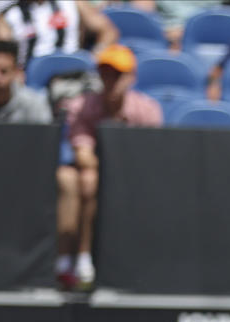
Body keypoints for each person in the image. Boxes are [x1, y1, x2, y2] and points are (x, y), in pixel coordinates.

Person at [57, 44, 162, 290]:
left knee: (90, 179)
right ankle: (74, 260)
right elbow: (83, 155)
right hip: (95, 175)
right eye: (106, 73)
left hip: (135, 180)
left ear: (132, 78)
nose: (111, 80)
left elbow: (153, 159)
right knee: (77, 178)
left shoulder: (147, 111)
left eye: (118, 74)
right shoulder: (81, 106)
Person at [0, 0, 118, 67]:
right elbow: (0, 57)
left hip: (73, 74)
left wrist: (93, 58)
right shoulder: (8, 16)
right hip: (31, 81)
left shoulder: (73, 3)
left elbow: (108, 31)